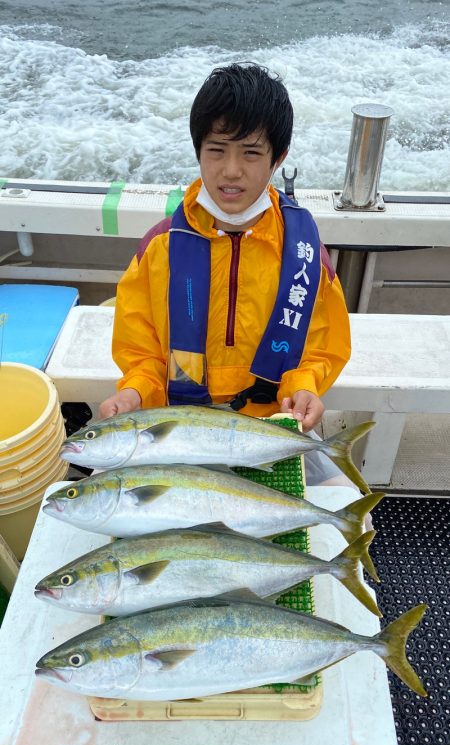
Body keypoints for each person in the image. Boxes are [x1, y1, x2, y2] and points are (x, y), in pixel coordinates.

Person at [99, 63, 352, 486]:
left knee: (349, 516)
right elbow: (140, 352)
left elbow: (322, 348)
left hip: (271, 426)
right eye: (217, 150)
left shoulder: (305, 255)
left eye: (251, 153)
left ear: (278, 158)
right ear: (198, 150)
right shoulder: (159, 248)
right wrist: (135, 392)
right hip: (179, 425)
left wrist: (305, 386)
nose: (231, 170)